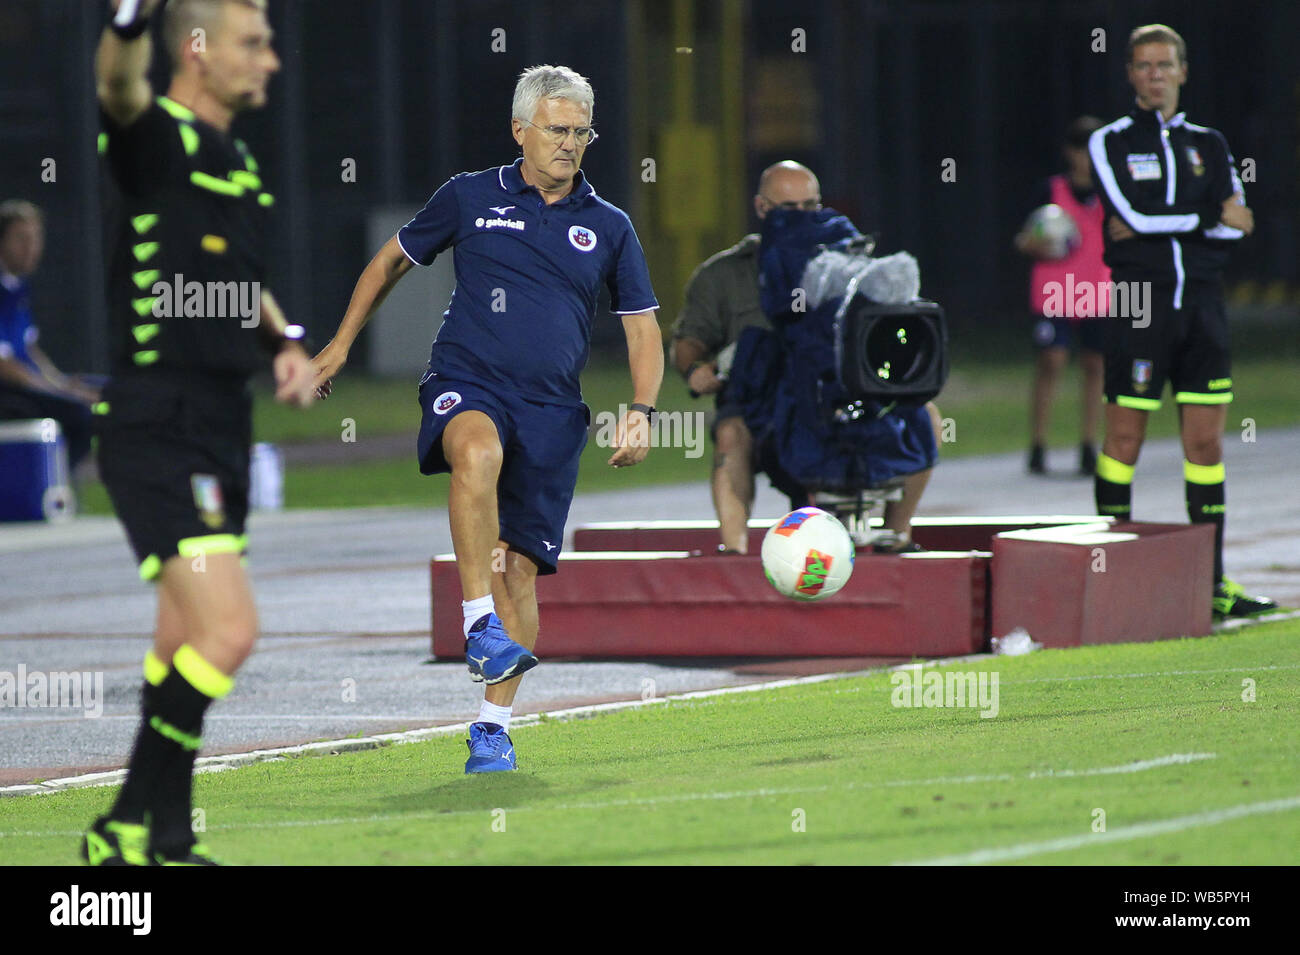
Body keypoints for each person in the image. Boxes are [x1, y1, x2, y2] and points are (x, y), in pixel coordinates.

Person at [311, 65, 662, 774]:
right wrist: (339, 343)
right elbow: (390, 263)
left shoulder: (610, 226)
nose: (568, 143)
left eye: (580, 132)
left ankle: (493, 725)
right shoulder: (469, 196)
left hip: (554, 412)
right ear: (520, 130)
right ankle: (477, 621)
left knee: (523, 573)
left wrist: (644, 410)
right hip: (466, 379)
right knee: (475, 453)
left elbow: (642, 328)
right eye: (556, 129)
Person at [84, 0, 317, 866]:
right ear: (195, 50)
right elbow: (115, 80)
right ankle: (121, 820)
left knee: (178, 640)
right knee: (229, 632)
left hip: (222, 423)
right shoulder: (156, 137)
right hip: (157, 423)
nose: (271, 61)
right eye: (253, 43)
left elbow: (236, 281)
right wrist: (129, 14)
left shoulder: (239, 162)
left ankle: (168, 842)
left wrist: (284, 344)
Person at [1089, 23, 1275, 618]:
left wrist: (1172, 221)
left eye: (1164, 65)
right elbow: (1130, 215)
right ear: (1130, 73)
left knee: (1205, 443)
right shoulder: (1110, 142)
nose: (1154, 75)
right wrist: (1202, 217)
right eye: (1143, 65)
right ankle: (1108, 577)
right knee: (1124, 440)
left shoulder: (1211, 144)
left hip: (1202, 306)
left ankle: (1213, 583)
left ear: (1182, 71)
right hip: (1139, 304)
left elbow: (1237, 223)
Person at [671, 161, 940, 554]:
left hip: (837, 398)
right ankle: (736, 555)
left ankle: (895, 537)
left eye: (811, 207)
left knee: (926, 417)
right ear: (762, 208)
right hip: (758, 410)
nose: (803, 219)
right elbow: (688, 343)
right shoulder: (724, 274)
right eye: (789, 209)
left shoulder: (846, 267)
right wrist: (696, 370)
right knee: (730, 434)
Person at [1015, 117, 1108, 477]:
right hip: (1054, 291)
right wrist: (1034, 243)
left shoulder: (1111, 193)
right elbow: (1023, 238)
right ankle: (1038, 444)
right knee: (1051, 362)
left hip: (1097, 290)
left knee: (1095, 365)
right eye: (1082, 149)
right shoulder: (1051, 191)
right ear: (1070, 152)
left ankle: (1089, 444)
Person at [0, 200, 100, 472]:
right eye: (21, 239)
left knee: (104, 388)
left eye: (35, 239)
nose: (31, 248)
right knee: (81, 412)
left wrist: (60, 380)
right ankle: (52, 488)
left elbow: (29, 348)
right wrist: (59, 390)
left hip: (28, 384)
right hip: (9, 391)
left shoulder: (17, 287)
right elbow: (5, 366)